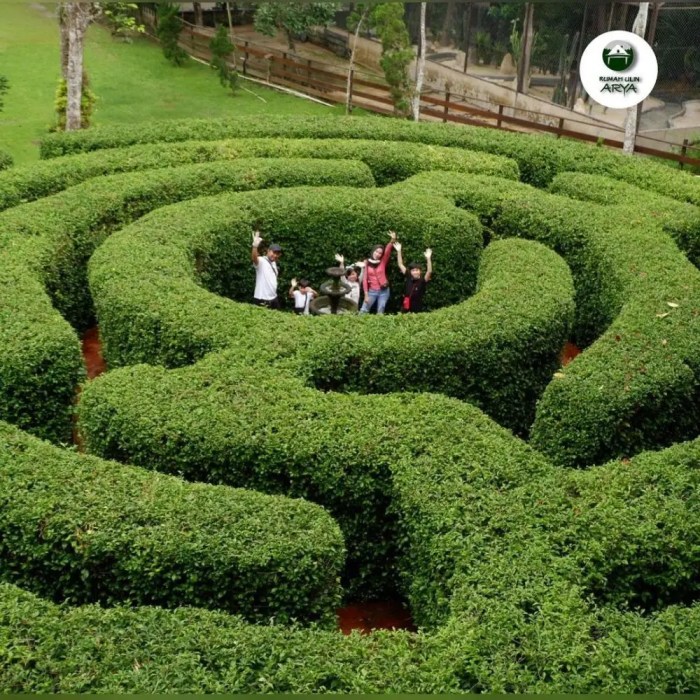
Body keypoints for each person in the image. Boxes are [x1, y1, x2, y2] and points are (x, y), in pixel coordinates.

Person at [359, 231, 397, 315]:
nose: (378, 254)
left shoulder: (382, 262)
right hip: (372, 291)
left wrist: (392, 240)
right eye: (376, 251)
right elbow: (365, 280)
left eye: (380, 253)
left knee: (381, 310)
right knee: (364, 310)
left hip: (384, 290)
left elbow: (387, 251)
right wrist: (366, 294)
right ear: (373, 251)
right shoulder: (366, 263)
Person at [395, 242, 433, 313]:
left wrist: (428, 258)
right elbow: (400, 264)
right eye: (413, 270)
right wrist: (399, 251)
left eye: (417, 270)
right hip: (406, 304)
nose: (415, 272)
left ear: (420, 271)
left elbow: (429, 271)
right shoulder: (409, 276)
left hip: (417, 307)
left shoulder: (422, 280)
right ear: (411, 272)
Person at [251, 231, 282, 309]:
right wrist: (255, 246)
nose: (275, 255)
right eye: (273, 252)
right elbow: (254, 259)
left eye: (277, 254)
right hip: (262, 299)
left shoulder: (274, 263)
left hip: (274, 298)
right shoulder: (261, 260)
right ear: (268, 251)